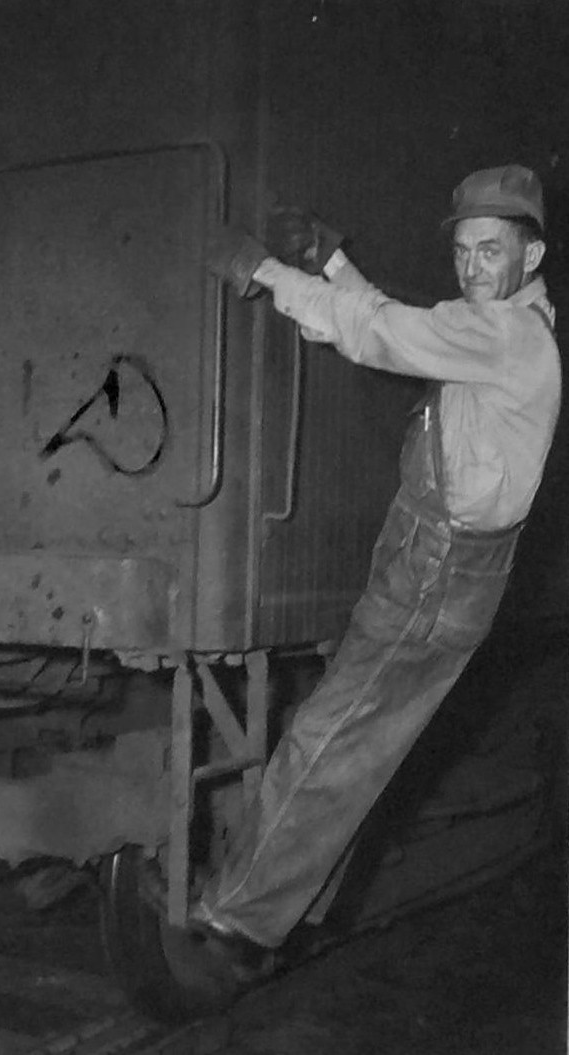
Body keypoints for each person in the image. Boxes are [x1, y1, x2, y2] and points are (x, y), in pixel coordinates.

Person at [191, 165, 562, 981]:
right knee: (358, 742)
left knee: (328, 737)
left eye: (490, 250)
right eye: (463, 250)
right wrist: (332, 265)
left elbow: (377, 334)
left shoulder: (507, 336)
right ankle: (283, 906)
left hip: (436, 571)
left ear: (529, 254)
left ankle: (242, 919)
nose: (471, 267)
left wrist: (262, 273)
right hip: (439, 564)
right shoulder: (497, 323)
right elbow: (392, 323)